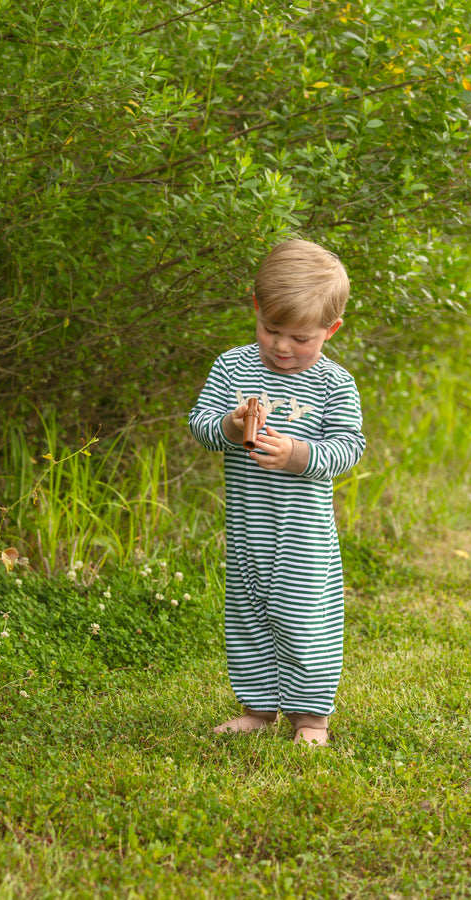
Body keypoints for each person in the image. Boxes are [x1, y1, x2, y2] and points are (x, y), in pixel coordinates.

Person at [188, 239, 366, 746]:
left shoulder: (335, 384)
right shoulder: (232, 368)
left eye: (301, 338)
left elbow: (350, 448)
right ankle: (258, 708)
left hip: (303, 536)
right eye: (272, 330)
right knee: (248, 618)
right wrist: (227, 424)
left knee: (304, 622)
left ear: (330, 331)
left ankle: (311, 718)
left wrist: (298, 456)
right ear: (256, 308)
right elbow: (199, 426)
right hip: (248, 529)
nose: (283, 347)